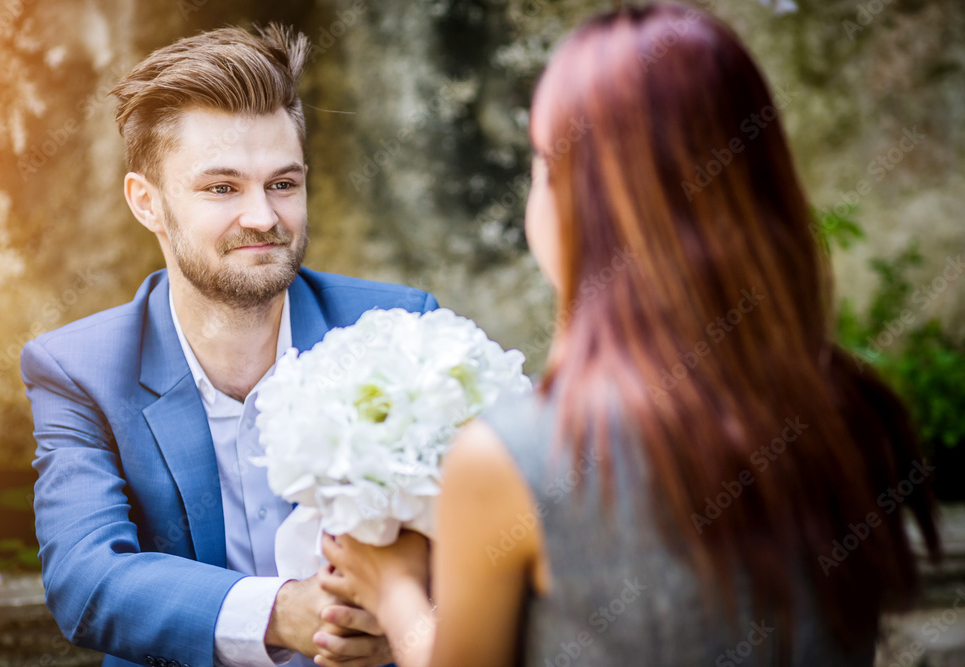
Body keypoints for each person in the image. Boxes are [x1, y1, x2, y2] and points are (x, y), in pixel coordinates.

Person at [319, 4, 941, 666]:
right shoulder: (852, 412)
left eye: (541, 160)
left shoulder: (519, 456)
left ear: (579, 201)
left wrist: (395, 590)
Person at [20, 24, 437, 667]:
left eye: (283, 183)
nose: (264, 217)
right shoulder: (76, 370)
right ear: (147, 203)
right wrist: (280, 613)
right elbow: (86, 579)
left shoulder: (400, 327)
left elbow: (490, 535)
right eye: (222, 188)